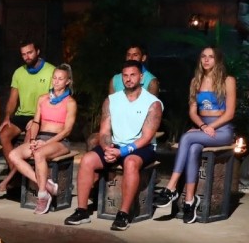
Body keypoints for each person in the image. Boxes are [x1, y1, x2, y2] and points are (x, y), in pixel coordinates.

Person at [64, 60, 162, 231]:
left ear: (141, 77)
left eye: (133, 75)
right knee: (87, 160)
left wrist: (122, 151)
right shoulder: (111, 100)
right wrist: (107, 148)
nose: (128, 79)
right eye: (125, 75)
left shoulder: (153, 103)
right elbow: (104, 132)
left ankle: (123, 214)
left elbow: (147, 137)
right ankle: (82, 210)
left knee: (130, 162)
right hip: (115, 144)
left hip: (141, 147)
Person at [153, 46, 237, 223]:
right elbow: (193, 112)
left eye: (211, 57)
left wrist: (209, 127)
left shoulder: (227, 80)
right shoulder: (195, 81)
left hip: (222, 130)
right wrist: (202, 126)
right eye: (203, 56)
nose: (206, 60)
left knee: (187, 137)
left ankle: (170, 187)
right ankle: (190, 202)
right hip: (204, 128)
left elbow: (229, 114)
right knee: (193, 149)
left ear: (217, 60)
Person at [4, 64, 77, 214]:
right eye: (54, 78)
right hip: (41, 137)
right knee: (13, 155)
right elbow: (36, 122)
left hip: (59, 141)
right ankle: (47, 185)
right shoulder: (43, 99)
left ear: (67, 81)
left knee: (39, 154)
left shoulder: (70, 103)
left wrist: (46, 143)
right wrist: (32, 140)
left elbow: (67, 131)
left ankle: (42, 194)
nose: (56, 81)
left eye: (60, 79)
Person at [0, 41, 57, 193]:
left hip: (40, 116)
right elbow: (12, 99)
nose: (27, 56)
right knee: (3, 134)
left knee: (28, 141)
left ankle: (11, 179)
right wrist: (7, 117)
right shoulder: (19, 72)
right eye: (23, 54)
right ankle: (17, 175)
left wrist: (37, 119)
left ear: (37, 51)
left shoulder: (51, 71)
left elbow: (52, 100)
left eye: (29, 52)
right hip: (22, 115)